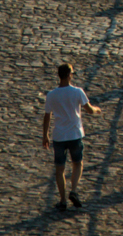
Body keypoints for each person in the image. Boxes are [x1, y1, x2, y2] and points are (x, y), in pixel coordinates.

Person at [42, 62, 100, 211]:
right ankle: (73, 191)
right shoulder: (77, 92)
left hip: (59, 136)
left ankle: (62, 201)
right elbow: (88, 109)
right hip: (74, 134)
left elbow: (47, 116)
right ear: (69, 75)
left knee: (60, 169)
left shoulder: (52, 95)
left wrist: (45, 136)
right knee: (77, 163)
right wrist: (96, 110)